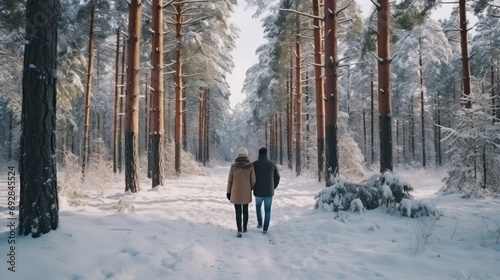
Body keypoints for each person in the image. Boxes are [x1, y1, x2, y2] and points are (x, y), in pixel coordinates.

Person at [227, 147, 256, 238]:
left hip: (235, 191)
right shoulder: (250, 166)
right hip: (246, 192)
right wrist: (249, 188)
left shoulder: (233, 166)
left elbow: (230, 180)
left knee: (238, 211)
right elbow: (253, 181)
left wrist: (228, 192)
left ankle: (239, 230)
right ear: (246, 154)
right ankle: (245, 228)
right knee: (245, 210)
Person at [252, 147, 280, 234]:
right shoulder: (272, 164)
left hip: (258, 191)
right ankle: (265, 228)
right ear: (266, 154)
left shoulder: (254, 164)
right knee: (268, 210)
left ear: (259, 154)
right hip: (269, 191)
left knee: (258, 206)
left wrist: (253, 186)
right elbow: (277, 177)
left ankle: (260, 222)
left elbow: (252, 177)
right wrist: (273, 186)